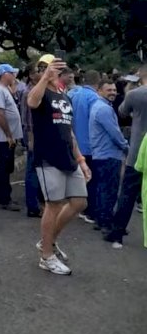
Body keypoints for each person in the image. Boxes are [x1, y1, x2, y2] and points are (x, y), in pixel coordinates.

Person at [27, 56, 91, 276]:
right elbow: (31, 102)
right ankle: (46, 256)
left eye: (60, 69)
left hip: (68, 158)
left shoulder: (64, 95)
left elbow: (69, 131)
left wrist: (81, 160)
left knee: (79, 202)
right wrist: (45, 77)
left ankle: (48, 241)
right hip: (48, 158)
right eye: (53, 68)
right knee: (53, 204)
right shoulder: (40, 90)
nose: (61, 73)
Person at [105, 64, 147, 247]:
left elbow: (122, 112)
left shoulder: (135, 94)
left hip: (138, 151)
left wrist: (129, 90)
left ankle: (117, 233)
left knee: (128, 194)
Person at [89, 80, 128, 239]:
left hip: (101, 154)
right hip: (108, 154)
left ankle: (101, 220)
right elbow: (115, 133)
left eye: (114, 90)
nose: (112, 92)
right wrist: (127, 147)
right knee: (109, 190)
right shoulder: (104, 109)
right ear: (99, 91)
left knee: (102, 189)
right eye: (108, 90)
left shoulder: (99, 106)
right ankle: (106, 222)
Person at [0, 64, 23, 211]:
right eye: (11, 73)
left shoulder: (4, 89)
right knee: (4, 167)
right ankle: (3, 199)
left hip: (8, 136)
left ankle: (5, 196)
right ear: (4, 74)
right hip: (4, 137)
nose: (14, 76)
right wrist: (8, 134)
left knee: (7, 167)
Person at [70, 70, 101, 222]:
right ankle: (89, 210)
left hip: (75, 143)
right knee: (92, 179)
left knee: (79, 179)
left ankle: (78, 207)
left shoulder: (73, 94)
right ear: (98, 81)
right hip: (90, 144)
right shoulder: (94, 98)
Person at [20, 70, 44, 217]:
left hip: (40, 137)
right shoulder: (29, 92)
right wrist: (31, 139)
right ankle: (33, 206)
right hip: (34, 137)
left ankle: (38, 203)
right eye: (38, 71)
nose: (42, 73)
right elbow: (28, 121)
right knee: (33, 171)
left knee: (38, 170)